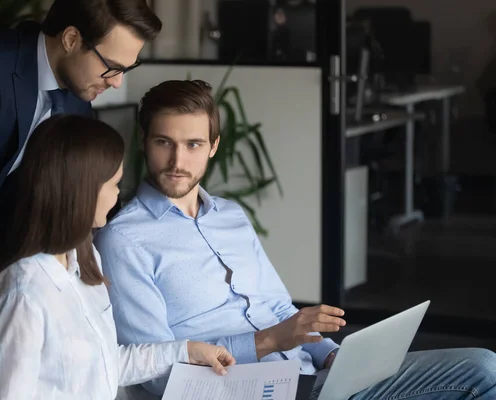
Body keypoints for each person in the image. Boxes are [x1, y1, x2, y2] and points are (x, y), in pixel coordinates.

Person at [94, 79, 496, 399]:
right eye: (164, 142)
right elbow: (154, 377)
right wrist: (267, 342)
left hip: (311, 376)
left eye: (193, 144)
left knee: (483, 364)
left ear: (213, 146)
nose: (178, 161)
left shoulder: (230, 217)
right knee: (480, 374)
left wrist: (331, 354)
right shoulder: (124, 240)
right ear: (144, 142)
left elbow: (277, 305)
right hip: (245, 391)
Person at [0, 0, 161, 377]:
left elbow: (68, 193)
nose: (117, 81)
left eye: (127, 69)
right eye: (112, 67)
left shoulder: (77, 99)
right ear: (71, 38)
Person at [0, 114, 235, 399]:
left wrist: (187, 351)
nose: (118, 195)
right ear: (82, 192)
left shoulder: (82, 258)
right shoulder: (23, 296)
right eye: (114, 184)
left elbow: (104, 365)